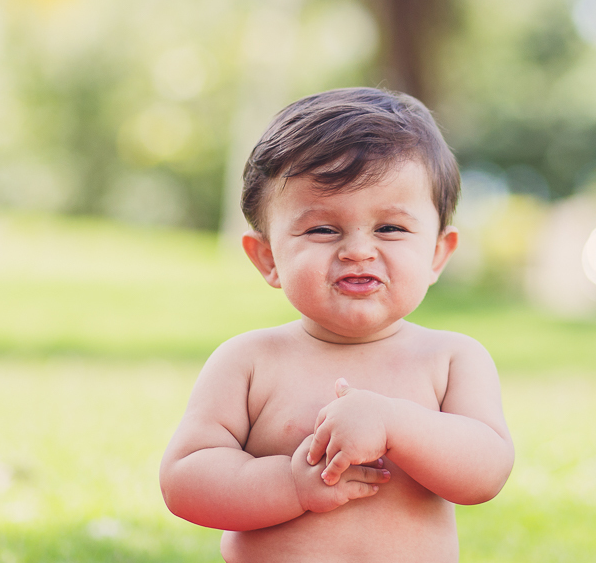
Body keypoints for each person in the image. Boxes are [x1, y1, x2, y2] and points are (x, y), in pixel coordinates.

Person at [159, 87, 515, 563]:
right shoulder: (248, 362)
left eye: (390, 228)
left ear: (436, 254)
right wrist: (290, 484)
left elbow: (486, 472)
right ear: (267, 257)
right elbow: (186, 479)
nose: (358, 251)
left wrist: (395, 424)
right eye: (323, 229)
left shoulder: (451, 360)